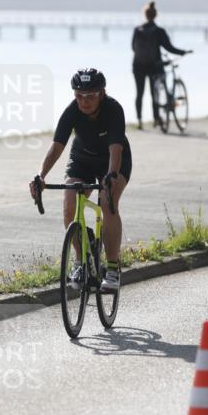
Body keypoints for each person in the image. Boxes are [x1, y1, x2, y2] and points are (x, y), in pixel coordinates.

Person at [28, 68, 131, 291]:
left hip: (113, 160)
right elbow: (57, 145)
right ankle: (80, 259)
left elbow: (115, 148)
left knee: (107, 201)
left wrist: (111, 175)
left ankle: (112, 268)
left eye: (90, 96)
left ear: (102, 93)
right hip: (82, 158)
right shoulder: (72, 111)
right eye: (79, 95)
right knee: (69, 204)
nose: (84, 101)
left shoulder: (113, 109)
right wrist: (41, 176)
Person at [131, 1, 191, 129]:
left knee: (139, 93)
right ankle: (156, 119)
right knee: (155, 93)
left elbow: (133, 48)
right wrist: (183, 52)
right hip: (154, 65)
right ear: (155, 15)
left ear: (145, 15)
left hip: (138, 66)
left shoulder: (138, 30)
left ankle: (140, 121)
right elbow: (169, 48)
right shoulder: (159, 31)